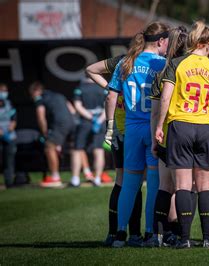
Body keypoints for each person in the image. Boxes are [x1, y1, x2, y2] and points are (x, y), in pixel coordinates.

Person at [155, 20, 209, 248]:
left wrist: (160, 125)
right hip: (205, 127)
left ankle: (184, 238)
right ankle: (208, 238)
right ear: (208, 43)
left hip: (181, 125)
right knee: (205, 186)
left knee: (182, 185)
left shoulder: (178, 63)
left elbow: (166, 97)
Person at [105, 21, 169, 248]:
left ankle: (120, 234)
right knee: (153, 184)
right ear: (161, 41)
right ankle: (150, 233)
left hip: (130, 129)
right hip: (153, 130)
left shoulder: (126, 61)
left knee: (129, 184)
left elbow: (111, 97)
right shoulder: (163, 64)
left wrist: (110, 127)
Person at [86, 55, 144, 246]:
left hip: (120, 130)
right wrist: (112, 88)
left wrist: (112, 87)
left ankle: (114, 233)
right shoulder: (150, 61)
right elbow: (91, 70)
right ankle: (134, 234)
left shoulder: (123, 60)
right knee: (134, 181)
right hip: (133, 129)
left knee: (122, 181)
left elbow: (91, 69)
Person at [150, 25, 188, 247]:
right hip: (184, 132)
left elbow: (155, 112)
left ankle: (159, 233)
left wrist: (155, 139)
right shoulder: (191, 68)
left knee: (165, 186)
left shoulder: (162, 72)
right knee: (183, 187)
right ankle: (178, 233)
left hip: (164, 134)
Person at [29, 81, 75, 188]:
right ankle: (87, 173)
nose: (31, 97)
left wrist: (44, 132)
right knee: (77, 148)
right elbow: (72, 110)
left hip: (61, 124)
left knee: (49, 147)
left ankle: (55, 178)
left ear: (35, 91)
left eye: (31, 94)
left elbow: (41, 117)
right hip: (72, 122)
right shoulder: (58, 95)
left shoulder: (39, 99)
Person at [69, 78, 108, 187]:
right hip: (100, 121)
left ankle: (75, 179)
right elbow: (108, 105)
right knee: (99, 150)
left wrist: (90, 117)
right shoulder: (103, 88)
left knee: (78, 149)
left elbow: (77, 106)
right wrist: (99, 119)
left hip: (85, 122)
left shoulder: (80, 88)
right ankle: (97, 179)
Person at [0, 83, 17, 188]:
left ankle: (9, 182)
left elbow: (14, 118)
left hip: (9, 136)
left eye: (5, 90)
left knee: (9, 160)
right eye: (1, 90)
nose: (3, 93)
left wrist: (12, 126)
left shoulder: (9, 104)